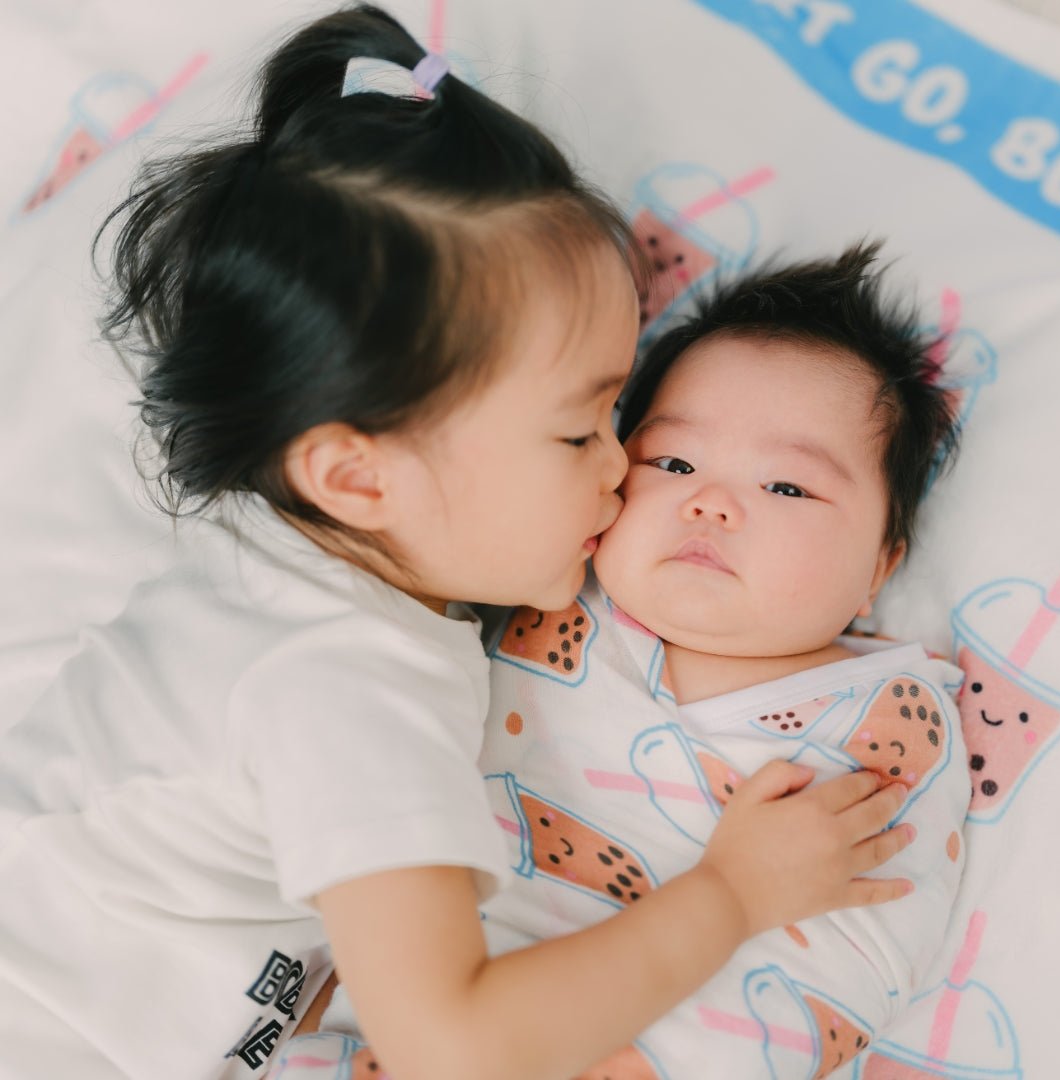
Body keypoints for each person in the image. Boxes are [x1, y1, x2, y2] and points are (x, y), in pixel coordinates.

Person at [0, 3, 915, 1075]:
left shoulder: (305, 565)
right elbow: (457, 1045)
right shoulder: (340, 684)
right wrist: (731, 895)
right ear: (357, 474)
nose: (620, 469)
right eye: (581, 429)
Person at [279, 241, 967, 1080]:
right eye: (672, 463)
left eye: (787, 488)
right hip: (387, 1021)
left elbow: (857, 958)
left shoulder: (886, 718)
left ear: (879, 569)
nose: (709, 501)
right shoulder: (552, 586)